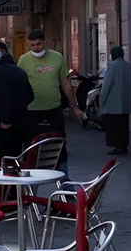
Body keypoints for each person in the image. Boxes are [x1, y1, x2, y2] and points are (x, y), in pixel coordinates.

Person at [17, 30, 82, 170]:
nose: (36, 48)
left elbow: (65, 83)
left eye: (39, 44)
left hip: (53, 109)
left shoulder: (57, 57)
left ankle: (63, 179)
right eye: (32, 45)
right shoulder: (23, 60)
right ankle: (31, 179)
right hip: (31, 110)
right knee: (31, 148)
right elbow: (19, 85)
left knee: (58, 146)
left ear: (44, 42)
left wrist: (74, 106)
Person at [0, 51, 34, 160]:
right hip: (21, 121)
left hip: (3, 124)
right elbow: (30, 95)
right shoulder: (18, 70)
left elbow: (2, 97)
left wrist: (5, 121)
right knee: (14, 157)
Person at [100, 46, 131, 155]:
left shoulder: (112, 66)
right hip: (126, 101)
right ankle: (123, 145)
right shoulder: (128, 66)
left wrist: (102, 98)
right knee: (123, 125)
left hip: (114, 102)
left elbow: (107, 83)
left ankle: (117, 146)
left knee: (114, 125)